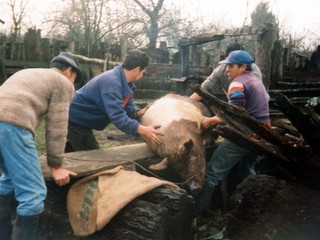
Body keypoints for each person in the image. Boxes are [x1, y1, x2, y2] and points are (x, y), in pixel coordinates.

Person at [0, 52, 80, 239]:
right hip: (12, 126)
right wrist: (56, 165)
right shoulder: (62, 83)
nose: (73, 84)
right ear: (69, 71)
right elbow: (57, 126)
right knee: (34, 194)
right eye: (75, 79)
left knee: (8, 179)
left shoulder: (26, 73)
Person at [195, 50, 271, 220]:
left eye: (230, 66)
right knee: (245, 172)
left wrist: (210, 121)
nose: (227, 70)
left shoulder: (237, 83)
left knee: (212, 174)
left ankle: (196, 216)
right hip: (263, 136)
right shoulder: (256, 81)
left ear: (243, 67)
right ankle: (258, 207)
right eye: (226, 66)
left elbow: (235, 113)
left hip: (245, 136)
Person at [65, 49, 162, 152]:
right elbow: (118, 117)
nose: (142, 75)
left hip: (80, 119)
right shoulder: (112, 83)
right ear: (137, 69)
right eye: (143, 72)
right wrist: (143, 129)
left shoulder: (125, 82)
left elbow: (127, 105)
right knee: (94, 158)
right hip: (74, 119)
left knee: (71, 154)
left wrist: (136, 113)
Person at [190, 43, 263, 101]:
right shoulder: (221, 70)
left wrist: (211, 120)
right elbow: (205, 89)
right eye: (228, 63)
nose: (227, 68)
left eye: (231, 65)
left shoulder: (253, 72)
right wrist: (187, 103)